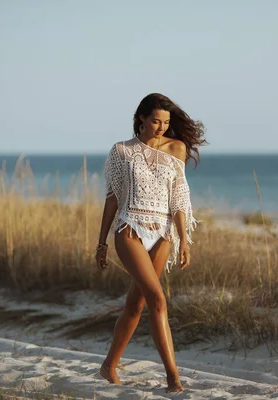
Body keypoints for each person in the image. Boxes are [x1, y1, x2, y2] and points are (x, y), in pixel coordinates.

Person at [95, 93, 207, 392]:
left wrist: (184, 240)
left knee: (136, 305)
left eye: (166, 122)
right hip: (129, 228)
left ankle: (108, 366)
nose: (161, 127)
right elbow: (112, 198)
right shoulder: (121, 152)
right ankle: (173, 378)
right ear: (141, 117)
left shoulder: (177, 148)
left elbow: (179, 198)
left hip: (164, 233)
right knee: (158, 300)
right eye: (156, 120)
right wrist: (101, 242)